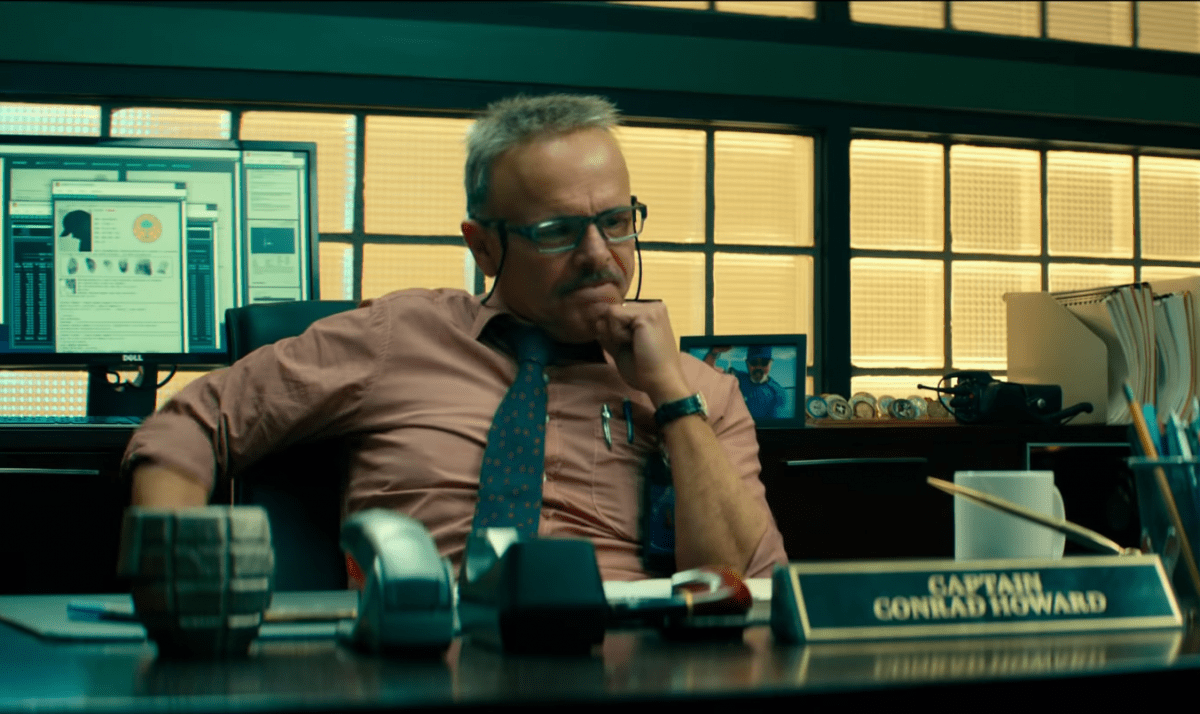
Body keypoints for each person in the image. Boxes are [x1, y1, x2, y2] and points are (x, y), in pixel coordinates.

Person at [123, 94, 787, 581]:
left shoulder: (703, 393)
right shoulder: (396, 336)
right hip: (419, 656)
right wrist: (178, 572)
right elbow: (198, 419)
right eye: (557, 232)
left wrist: (671, 398)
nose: (598, 255)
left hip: (620, 662)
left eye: (616, 222)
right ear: (483, 246)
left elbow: (746, 583)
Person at [703, 345, 789, 419]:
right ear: (747, 363)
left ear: (770, 363)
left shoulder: (778, 393)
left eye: (764, 363)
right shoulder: (736, 377)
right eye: (754, 362)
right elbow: (707, 372)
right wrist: (714, 352)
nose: (759, 367)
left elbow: (774, 427)